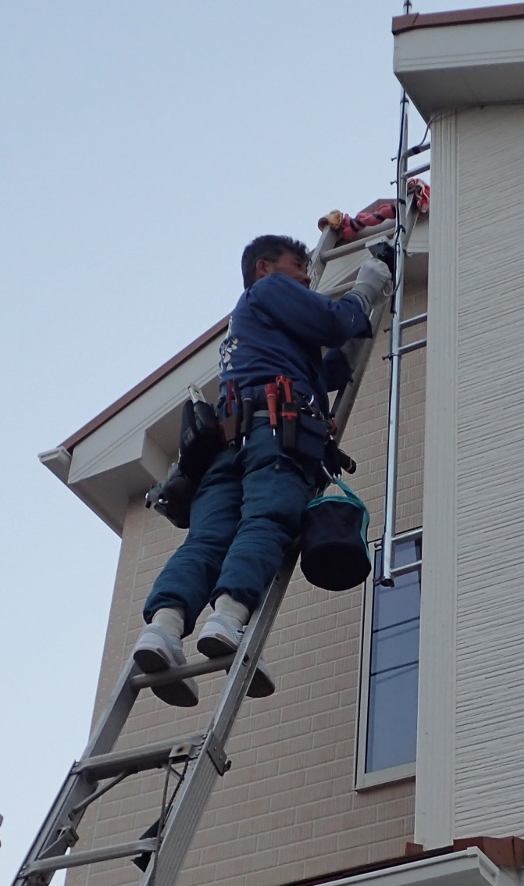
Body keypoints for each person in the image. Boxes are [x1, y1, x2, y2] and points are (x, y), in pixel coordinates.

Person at [131, 234, 393, 706]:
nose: (307, 277)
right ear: (264, 268)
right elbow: (334, 322)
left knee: (208, 540)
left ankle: (163, 630)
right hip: (274, 433)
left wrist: (358, 331)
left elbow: (330, 370)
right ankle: (228, 619)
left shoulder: (262, 334)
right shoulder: (268, 290)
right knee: (268, 519)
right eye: (298, 265)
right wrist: (367, 286)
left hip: (230, 442)